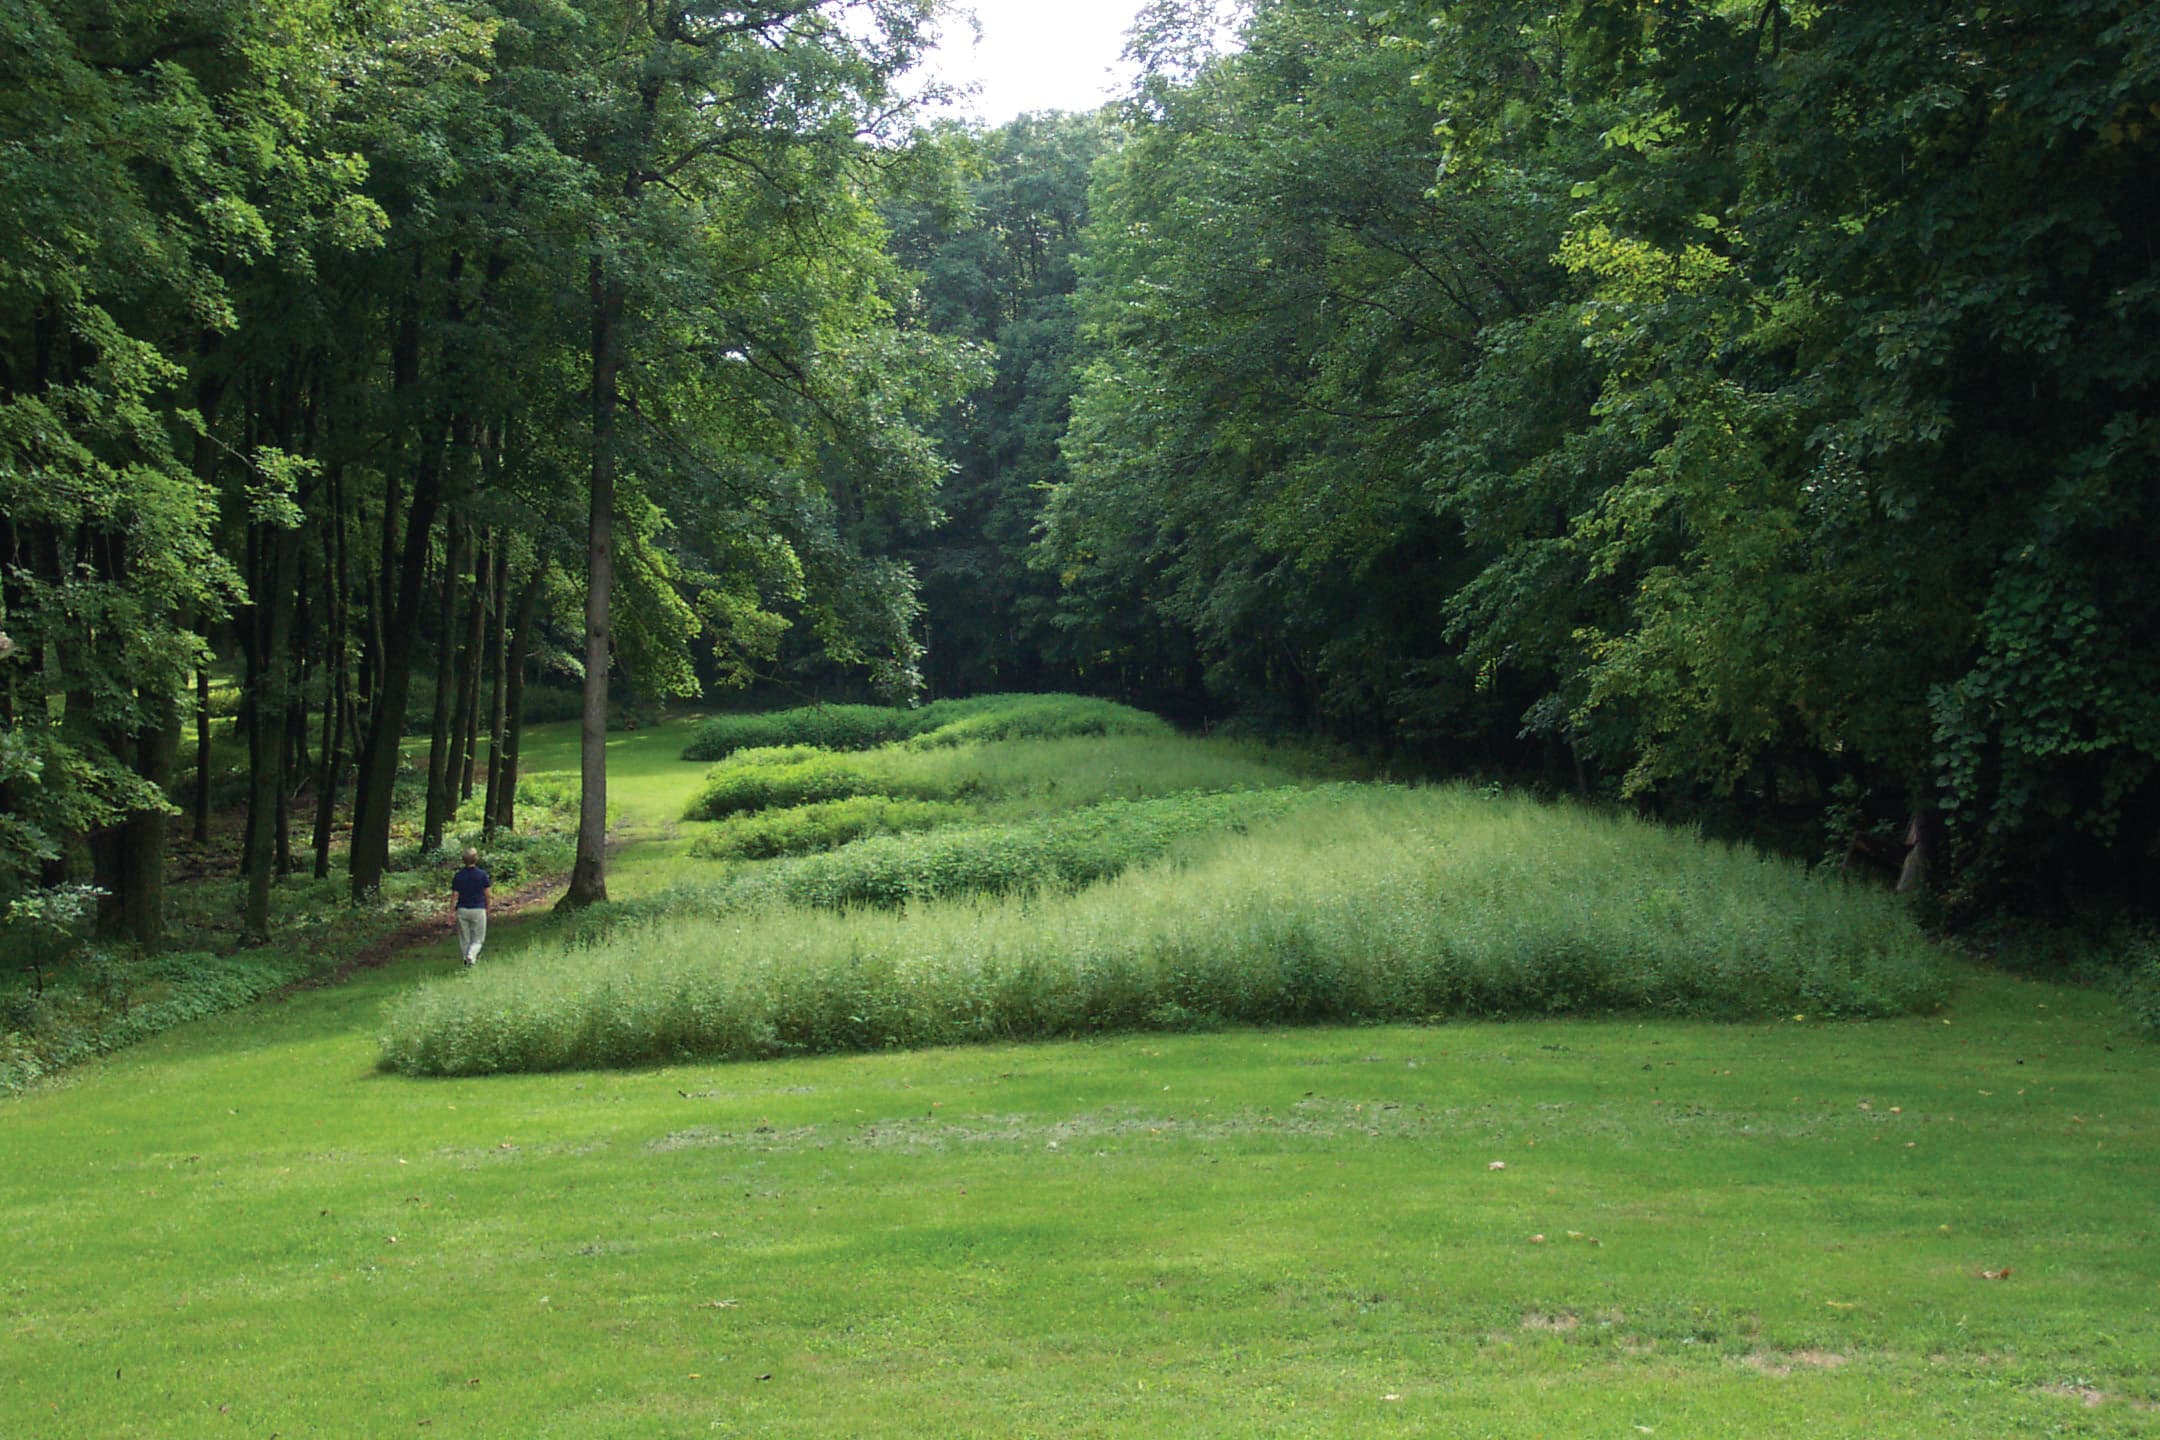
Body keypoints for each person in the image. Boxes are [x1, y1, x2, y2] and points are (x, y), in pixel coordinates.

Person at [450, 847, 491, 965]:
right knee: (478, 939)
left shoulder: (458, 876)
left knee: (464, 938)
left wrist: (451, 911)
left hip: (462, 909)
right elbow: (487, 893)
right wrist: (488, 907)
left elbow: (455, 895)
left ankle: (467, 961)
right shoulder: (482, 875)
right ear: (476, 859)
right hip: (478, 909)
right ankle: (471, 955)